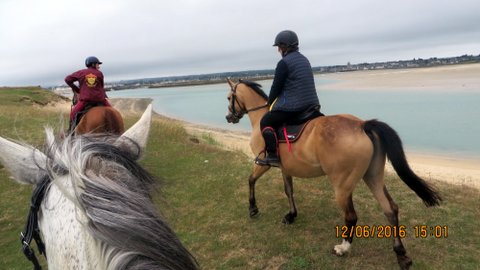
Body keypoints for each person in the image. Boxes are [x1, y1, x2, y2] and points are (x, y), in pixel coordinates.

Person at [255, 30, 320, 167]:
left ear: (285, 47)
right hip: (312, 104)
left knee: (266, 121)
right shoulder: (304, 60)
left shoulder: (283, 63)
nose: (278, 50)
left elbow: (276, 87)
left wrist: (269, 102)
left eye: (279, 47)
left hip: (294, 107)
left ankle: (273, 156)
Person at [65, 56, 111, 131]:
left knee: (73, 114)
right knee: (113, 112)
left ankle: (71, 132)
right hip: (101, 100)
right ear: (93, 64)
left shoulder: (81, 72)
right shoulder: (100, 73)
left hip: (85, 101)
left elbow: (67, 79)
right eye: (98, 64)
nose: (99, 66)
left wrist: (77, 90)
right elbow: (101, 87)